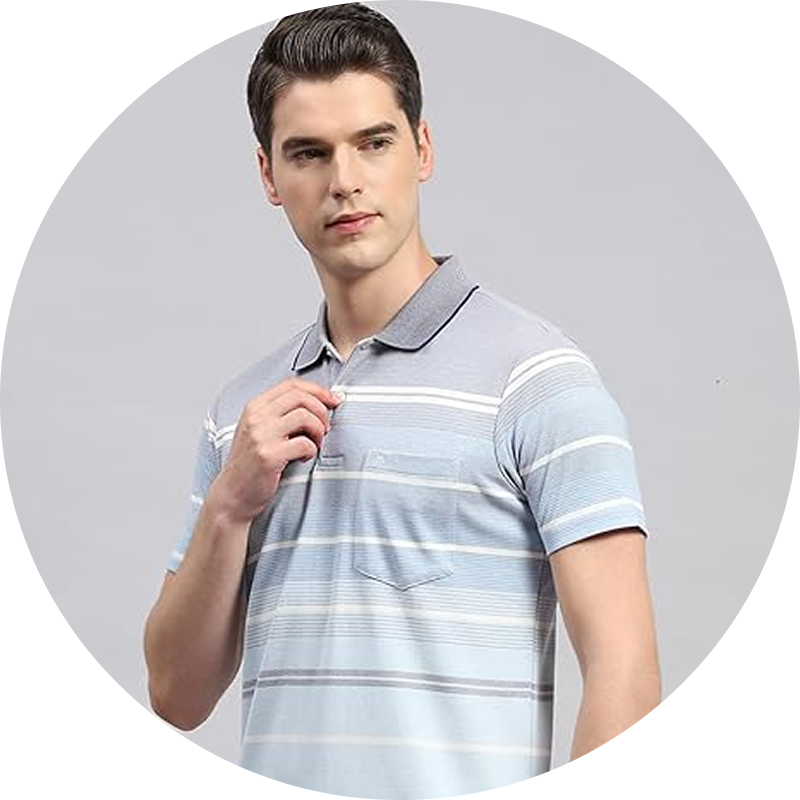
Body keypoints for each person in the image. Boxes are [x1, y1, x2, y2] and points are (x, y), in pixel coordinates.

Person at [143, 4, 660, 796]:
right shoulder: (242, 411)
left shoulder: (538, 379)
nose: (344, 181)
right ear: (269, 175)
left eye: (373, 143)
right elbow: (176, 696)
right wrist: (227, 509)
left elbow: (625, 673)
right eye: (309, 152)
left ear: (423, 149)